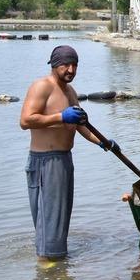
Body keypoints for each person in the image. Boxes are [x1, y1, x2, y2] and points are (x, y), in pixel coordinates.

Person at [19, 45, 118, 259]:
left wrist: (103, 142)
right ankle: (47, 268)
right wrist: (60, 117)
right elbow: (26, 120)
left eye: (75, 65)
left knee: (61, 216)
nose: (71, 70)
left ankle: (56, 262)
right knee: (49, 217)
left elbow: (82, 125)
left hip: (64, 160)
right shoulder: (41, 87)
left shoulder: (70, 92)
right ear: (55, 65)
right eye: (66, 65)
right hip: (45, 162)